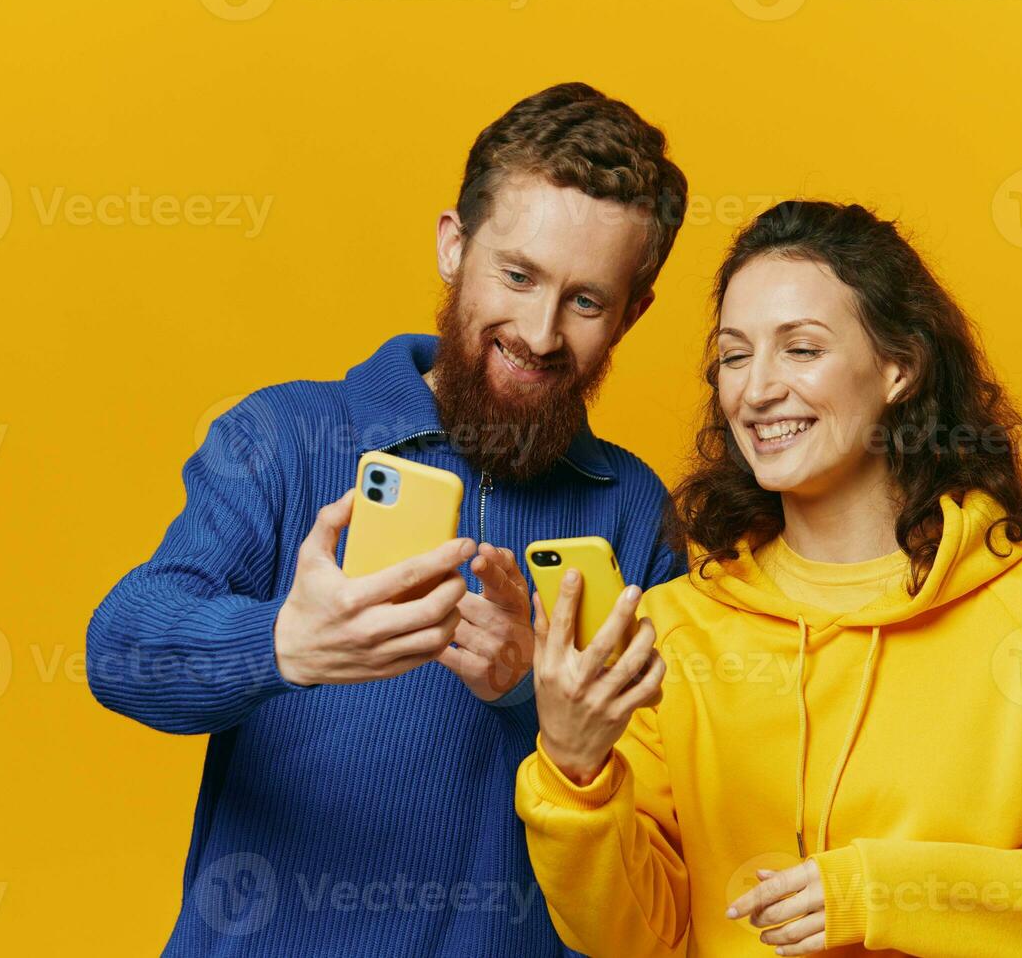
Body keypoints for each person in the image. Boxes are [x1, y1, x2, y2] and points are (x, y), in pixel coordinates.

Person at [516, 201, 1022, 956]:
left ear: (898, 368)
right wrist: (576, 769)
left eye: (802, 349)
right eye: (736, 355)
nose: (756, 391)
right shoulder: (675, 628)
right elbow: (634, 939)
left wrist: (888, 894)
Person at [86, 82, 689, 956]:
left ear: (633, 313)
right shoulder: (283, 437)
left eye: (587, 301)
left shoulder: (634, 514)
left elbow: (659, 824)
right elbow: (121, 651)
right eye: (516, 275)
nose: (541, 330)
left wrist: (534, 692)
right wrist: (283, 646)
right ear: (454, 246)